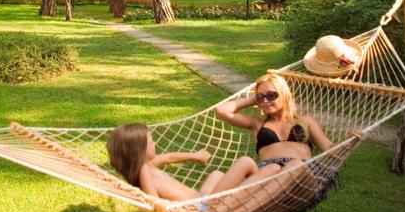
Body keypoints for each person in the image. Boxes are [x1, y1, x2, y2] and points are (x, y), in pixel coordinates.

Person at [215, 73, 361, 204]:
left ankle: (225, 206)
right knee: (245, 162)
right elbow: (222, 110)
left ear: (285, 95)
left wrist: (347, 142)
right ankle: (210, 207)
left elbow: (329, 149)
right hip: (268, 174)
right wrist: (253, 98)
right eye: (261, 97)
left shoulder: (305, 121)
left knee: (295, 164)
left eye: (271, 96)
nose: (265, 101)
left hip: (302, 177)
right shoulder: (257, 123)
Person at [106, 122, 282, 201]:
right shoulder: (144, 171)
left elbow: (169, 157)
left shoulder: (145, 165)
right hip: (204, 207)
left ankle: (246, 192)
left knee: (216, 174)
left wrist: (196, 155)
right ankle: (263, 197)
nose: (155, 143)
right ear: (139, 150)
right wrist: (174, 210)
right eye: (151, 142)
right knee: (246, 162)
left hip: (201, 198)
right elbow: (154, 200)